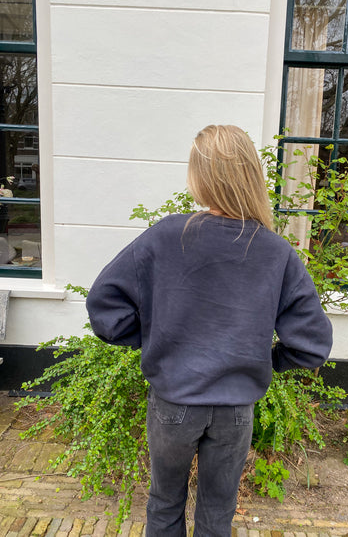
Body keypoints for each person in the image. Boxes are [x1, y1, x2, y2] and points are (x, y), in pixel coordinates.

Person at [86, 124, 333, 537]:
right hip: (236, 409)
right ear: (250, 175)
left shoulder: (168, 236)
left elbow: (104, 307)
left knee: (165, 504)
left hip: (173, 402)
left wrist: (158, 338)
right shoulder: (275, 251)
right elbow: (312, 345)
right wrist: (261, 359)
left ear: (200, 176)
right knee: (218, 511)